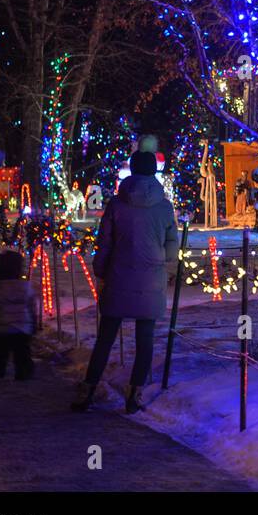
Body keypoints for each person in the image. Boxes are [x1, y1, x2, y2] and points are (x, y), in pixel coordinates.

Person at [73, 150, 179, 413]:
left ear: (131, 170)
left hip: (119, 275)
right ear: (155, 171)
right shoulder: (165, 207)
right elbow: (171, 245)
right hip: (150, 278)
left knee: (106, 337)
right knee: (145, 339)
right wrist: (160, 259)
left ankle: (89, 389)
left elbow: (105, 242)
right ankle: (134, 394)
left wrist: (101, 270)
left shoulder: (117, 204)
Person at [0, 250, 39, 380]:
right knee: (22, 353)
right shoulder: (25, 287)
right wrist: (33, 322)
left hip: (3, 327)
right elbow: (32, 306)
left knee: (0, 353)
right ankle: (23, 373)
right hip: (22, 327)